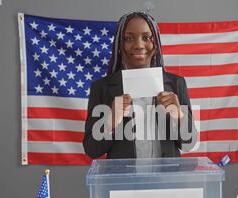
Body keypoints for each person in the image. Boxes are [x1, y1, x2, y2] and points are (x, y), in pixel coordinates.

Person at [83, 11, 196, 159]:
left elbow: (189, 144)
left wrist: (179, 116)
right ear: (119, 44)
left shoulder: (176, 84)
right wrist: (110, 121)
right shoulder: (102, 88)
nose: (138, 45)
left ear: (155, 43)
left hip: (166, 180)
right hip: (123, 181)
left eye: (146, 38)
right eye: (129, 38)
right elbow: (92, 150)